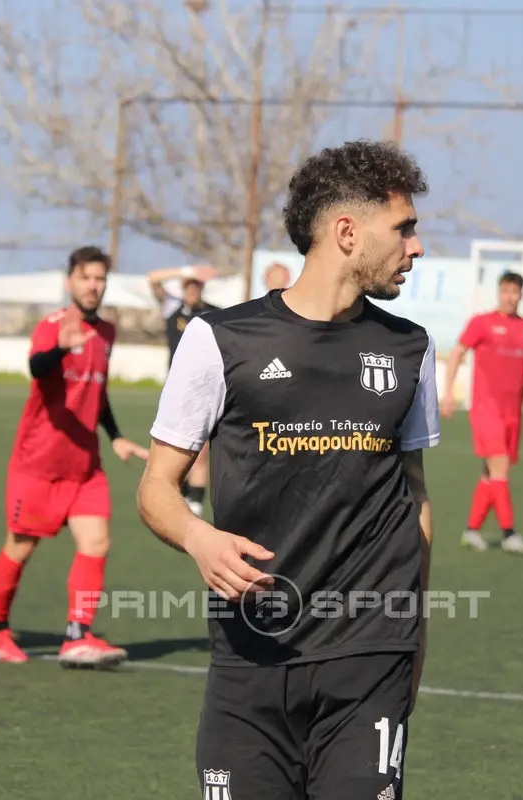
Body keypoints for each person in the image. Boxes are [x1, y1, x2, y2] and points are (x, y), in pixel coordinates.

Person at [138, 140, 439, 800]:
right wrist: (197, 538)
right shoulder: (219, 340)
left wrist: (413, 640)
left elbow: (414, 498)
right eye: (404, 228)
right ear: (347, 232)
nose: (416, 247)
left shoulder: (409, 349)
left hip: (369, 658)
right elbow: (156, 487)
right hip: (251, 658)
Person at [0, 246, 148, 667]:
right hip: (39, 463)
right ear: (70, 281)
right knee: (20, 547)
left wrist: (115, 436)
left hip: (84, 465)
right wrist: (60, 348)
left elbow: (97, 390)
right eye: (86, 277)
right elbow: (37, 367)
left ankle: (77, 636)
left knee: (97, 542)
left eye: (100, 279)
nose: (94, 286)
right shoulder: (52, 326)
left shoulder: (106, 333)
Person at [441, 271, 523, 556]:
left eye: (514, 292)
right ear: (498, 292)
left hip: (513, 412)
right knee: (500, 466)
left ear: (521, 295)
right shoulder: (482, 323)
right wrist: (448, 392)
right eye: (505, 291)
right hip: (485, 409)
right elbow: (456, 353)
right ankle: (509, 534)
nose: (509, 297)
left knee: (491, 472)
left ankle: (471, 530)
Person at [147, 264, 221, 515]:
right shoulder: (173, 308)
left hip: (206, 389)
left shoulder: (214, 313)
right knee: (174, 447)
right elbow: (152, 278)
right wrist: (186, 271)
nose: (192, 290)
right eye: (188, 286)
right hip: (176, 390)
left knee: (200, 451)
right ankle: (183, 496)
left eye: (196, 285)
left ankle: (195, 507)